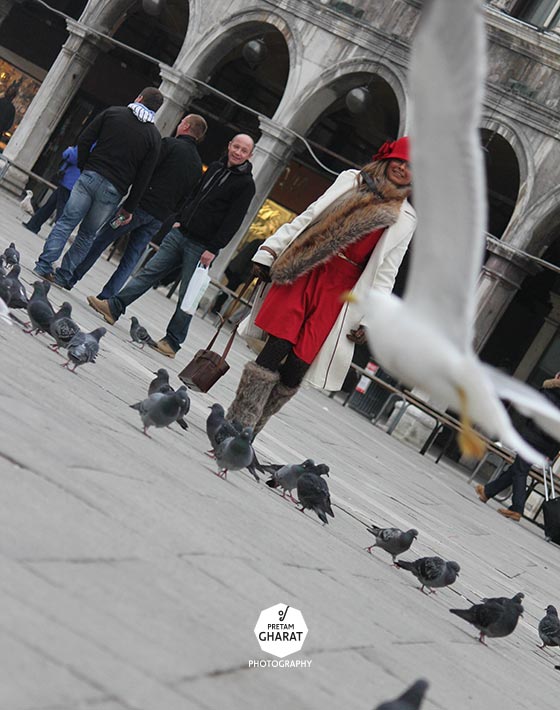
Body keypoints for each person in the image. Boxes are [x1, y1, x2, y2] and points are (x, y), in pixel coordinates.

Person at [226, 136, 416, 436]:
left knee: (297, 366)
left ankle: (253, 428)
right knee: (278, 345)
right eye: (400, 161)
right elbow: (309, 216)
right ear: (389, 158)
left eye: (411, 167)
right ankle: (238, 422)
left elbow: (386, 272)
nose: (403, 169)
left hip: (342, 291)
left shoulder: (406, 218)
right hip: (308, 266)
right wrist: (270, 251)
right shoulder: (352, 181)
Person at [87, 133, 256, 358]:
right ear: (229, 145)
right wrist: (179, 218)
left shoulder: (246, 185)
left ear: (250, 155)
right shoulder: (215, 167)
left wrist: (213, 248)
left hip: (202, 246)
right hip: (180, 232)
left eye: (244, 150)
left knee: (188, 294)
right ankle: (114, 307)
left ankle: (173, 342)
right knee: (149, 272)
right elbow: (195, 194)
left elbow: (233, 221)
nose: (238, 152)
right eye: (236, 146)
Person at [66, 113, 207, 299]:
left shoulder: (169, 145)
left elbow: (146, 172)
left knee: (104, 237)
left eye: (181, 122)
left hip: (136, 208)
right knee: (131, 257)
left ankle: (72, 276)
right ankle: (108, 296)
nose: (179, 124)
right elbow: (188, 196)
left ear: (187, 127)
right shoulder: (197, 165)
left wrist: (130, 202)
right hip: (158, 217)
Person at [33, 87, 162, 287]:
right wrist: (129, 207)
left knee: (66, 222)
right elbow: (143, 177)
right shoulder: (153, 138)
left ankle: (44, 265)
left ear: (139, 98)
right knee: (87, 234)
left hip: (90, 176)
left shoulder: (113, 113)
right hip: (114, 190)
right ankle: (63, 275)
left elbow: (85, 139)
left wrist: (85, 166)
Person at [475, 372, 560, 521]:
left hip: (533, 437)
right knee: (517, 468)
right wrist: (551, 454)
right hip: (548, 444)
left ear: (557, 378)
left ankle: (517, 509)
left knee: (520, 470)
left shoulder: (548, 392)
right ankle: (487, 491)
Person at [23, 145, 81, 234]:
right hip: (71, 180)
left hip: (70, 181)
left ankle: (58, 235)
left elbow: (72, 156)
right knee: (51, 204)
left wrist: (69, 149)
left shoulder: (90, 142)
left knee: (61, 210)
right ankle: (34, 224)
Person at [210, 237, 265, 315]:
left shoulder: (258, 243)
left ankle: (217, 306)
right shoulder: (259, 245)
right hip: (239, 271)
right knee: (229, 289)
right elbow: (245, 258)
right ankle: (217, 306)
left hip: (238, 270)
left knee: (229, 289)